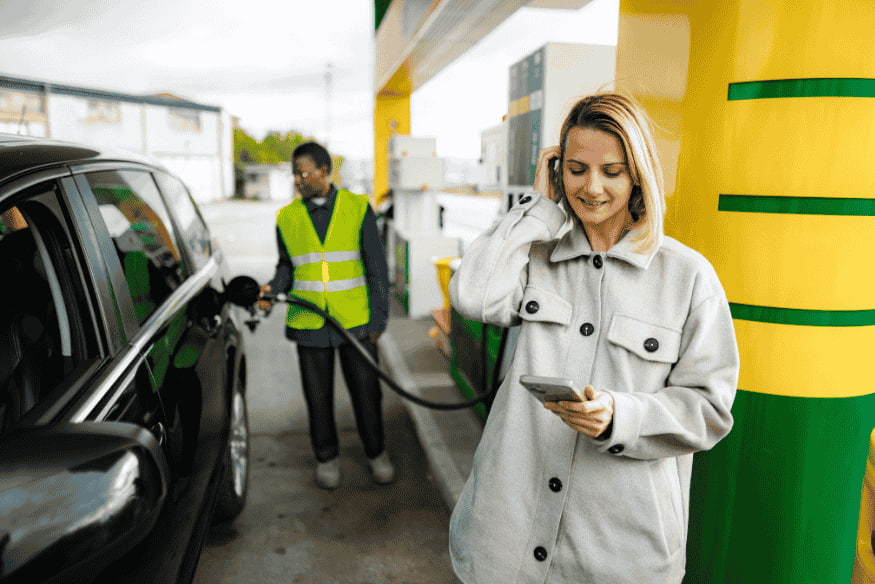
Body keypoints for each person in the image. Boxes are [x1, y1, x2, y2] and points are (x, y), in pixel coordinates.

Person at [448, 93, 739, 583]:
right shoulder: (536, 256)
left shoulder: (688, 277)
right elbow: (473, 296)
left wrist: (620, 416)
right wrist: (540, 207)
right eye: (576, 169)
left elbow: (708, 410)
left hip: (616, 553)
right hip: (507, 538)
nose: (592, 187)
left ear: (638, 176)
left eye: (612, 171)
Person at [259, 141, 393, 490]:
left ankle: (376, 452)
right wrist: (272, 289)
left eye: (303, 173)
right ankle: (326, 457)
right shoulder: (286, 217)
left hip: (356, 321)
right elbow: (287, 266)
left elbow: (376, 266)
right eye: (294, 175)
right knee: (317, 397)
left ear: (324, 171)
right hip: (308, 322)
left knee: (367, 394)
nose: (298, 180)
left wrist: (378, 320)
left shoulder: (357, 207)